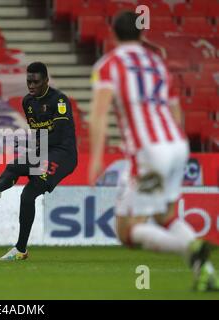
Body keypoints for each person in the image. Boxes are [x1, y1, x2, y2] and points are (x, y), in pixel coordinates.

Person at [88, 11, 218, 291]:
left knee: (127, 231)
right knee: (165, 215)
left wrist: (96, 158)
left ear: (113, 35)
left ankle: (191, 246)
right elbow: (175, 109)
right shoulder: (156, 63)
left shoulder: (108, 65)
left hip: (148, 150)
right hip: (177, 144)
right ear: (142, 35)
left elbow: (98, 115)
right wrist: (175, 149)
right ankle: (207, 272)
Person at [0, 62, 78, 261]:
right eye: (28, 81)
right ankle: (20, 250)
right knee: (27, 196)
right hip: (44, 151)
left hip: (63, 155)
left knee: (17, 165)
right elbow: (39, 134)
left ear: (46, 80)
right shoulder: (27, 102)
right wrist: (34, 146)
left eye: (35, 81)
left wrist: (31, 146)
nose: (31, 85)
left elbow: (60, 135)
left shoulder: (59, 100)